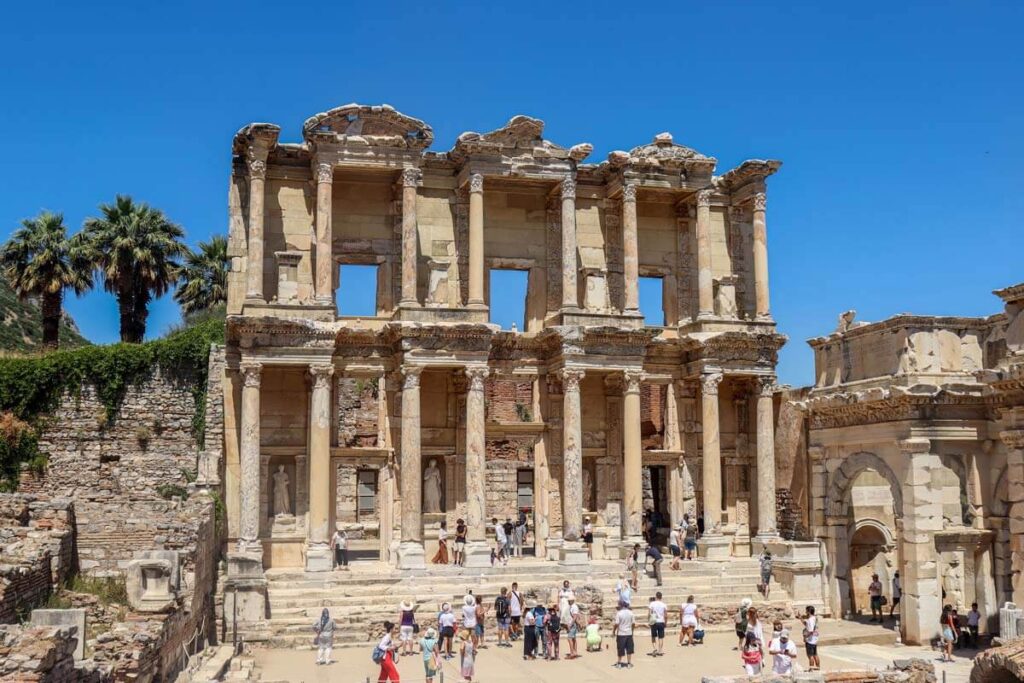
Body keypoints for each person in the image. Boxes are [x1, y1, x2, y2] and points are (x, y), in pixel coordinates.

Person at [613, 599, 635, 669]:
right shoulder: (631, 613)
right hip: (629, 633)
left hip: (621, 633)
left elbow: (616, 624)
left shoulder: (619, 613)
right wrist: (632, 630)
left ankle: (619, 663)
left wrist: (613, 631)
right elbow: (633, 623)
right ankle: (628, 663)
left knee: (620, 649)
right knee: (629, 649)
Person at [800, 605, 820, 671]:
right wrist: (801, 618)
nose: (805, 612)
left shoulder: (810, 620)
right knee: (815, 654)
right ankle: (818, 668)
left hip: (810, 640)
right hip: (814, 640)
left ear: (808, 611)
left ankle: (811, 669)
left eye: (806, 611)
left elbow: (811, 631)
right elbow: (806, 624)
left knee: (810, 655)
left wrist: (805, 637)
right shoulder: (814, 618)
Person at [648, 591, 668, 656]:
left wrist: (649, 620)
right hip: (661, 621)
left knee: (653, 636)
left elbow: (649, 613)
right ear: (661, 597)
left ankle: (654, 648)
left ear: (656, 596)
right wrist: (666, 622)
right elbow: (665, 615)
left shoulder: (652, 604)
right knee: (661, 637)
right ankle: (660, 650)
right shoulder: (664, 605)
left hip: (654, 621)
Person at [566, 592, 582, 659]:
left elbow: (574, 617)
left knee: (570, 638)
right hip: (573, 624)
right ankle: (575, 652)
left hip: (572, 624)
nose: (568, 601)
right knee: (573, 639)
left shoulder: (574, 607)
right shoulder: (573, 606)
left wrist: (570, 624)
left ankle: (572, 653)